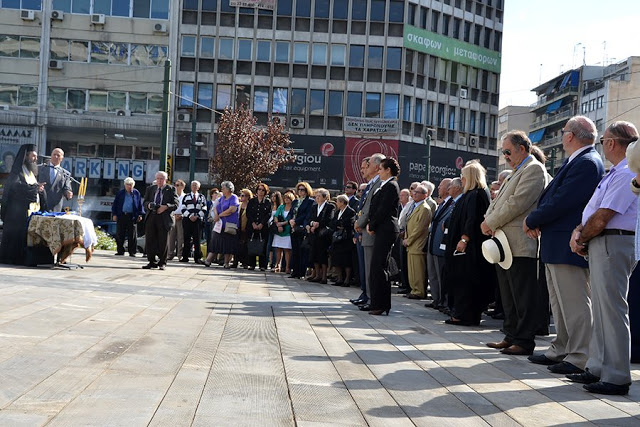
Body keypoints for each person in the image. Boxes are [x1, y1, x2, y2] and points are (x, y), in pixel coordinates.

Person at [525, 116, 604, 375]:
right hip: (556, 239)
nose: (561, 136)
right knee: (559, 302)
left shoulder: (587, 162)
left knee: (574, 301)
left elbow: (562, 200)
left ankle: (580, 355)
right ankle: (561, 348)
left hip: (567, 242)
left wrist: (534, 218)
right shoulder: (578, 160)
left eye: (563, 131)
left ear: (570, 136)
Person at [567, 121, 639, 396]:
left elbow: (605, 214)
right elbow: (594, 213)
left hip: (613, 240)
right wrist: (580, 232)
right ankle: (597, 366)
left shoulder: (626, 172)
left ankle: (617, 375)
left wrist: (581, 237)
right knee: (602, 308)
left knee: (611, 309)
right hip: (603, 241)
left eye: (603, 141)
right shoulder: (618, 172)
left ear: (611, 143)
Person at [482, 131, 548, 356]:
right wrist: (487, 221)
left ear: (522, 148)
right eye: (503, 153)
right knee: (508, 295)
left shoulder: (534, 169)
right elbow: (499, 201)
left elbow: (516, 203)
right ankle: (510, 335)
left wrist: (490, 222)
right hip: (503, 242)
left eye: (508, 152)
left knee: (522, 295)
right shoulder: (515, 171)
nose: (506, 156)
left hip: (520, 243)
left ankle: (524, 340)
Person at [446, 162, 496, 326]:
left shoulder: (476, 194)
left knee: (466, 281)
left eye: (464, 176)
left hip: (470, 248)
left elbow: (472, 219)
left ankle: (463, 315)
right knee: (462, 280)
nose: (462, 179)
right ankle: (462, 313)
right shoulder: (471, 194)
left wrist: (464, 239)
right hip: (465, 246)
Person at [364, 157, 400, 315]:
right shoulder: (384, 185)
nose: (378, 171)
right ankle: (380, 303)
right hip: (382, 228)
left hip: (386, 229)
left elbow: (383, 209)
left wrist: (372, 225)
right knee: (378, 266)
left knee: (378, 267)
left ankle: (380, 304)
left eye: (380, 169)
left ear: (388, 170)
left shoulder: (391, 186)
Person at [0, 144, 46, 265]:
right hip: (16, 213)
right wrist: (35, 188)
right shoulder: (17, 171)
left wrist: (39, 189)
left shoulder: (31, 172)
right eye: (33, 156)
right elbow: (16, 187)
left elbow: (32, 187)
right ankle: (12, 258)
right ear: (26, 156)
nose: (36, 159)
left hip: (27, 212)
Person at [353, 154, 386, 307]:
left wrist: (360, 223)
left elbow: (371, 209)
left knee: (371, 268)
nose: (362, 170)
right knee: (365, 267)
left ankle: (372, 298)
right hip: (363, 231)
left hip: (370, 231)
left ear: (376, 166)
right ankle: (366, 294)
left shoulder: (380, 183)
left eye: (365, 166)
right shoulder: (372, 184)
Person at [425, 178, 453, 310]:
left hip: (441, 244)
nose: (438, 188)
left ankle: (444, 300)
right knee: (433, 272)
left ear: (448, 188)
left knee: (441, 273)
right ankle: (436, 299)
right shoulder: (441, 204)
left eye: (441, 186)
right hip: (433, 242)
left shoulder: (452, 203)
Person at [142, 171, 178, 270]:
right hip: (151, 216)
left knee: (163, 241)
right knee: (150, 240)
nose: (159, 181)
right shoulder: (150, 189)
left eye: (161, 179)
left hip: (164, 218)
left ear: (166, 179)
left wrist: (166, 207)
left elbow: (176, 204)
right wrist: (149, 205)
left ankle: (162, 262)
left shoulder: (171, 189)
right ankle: (151, 261)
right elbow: (144, 202)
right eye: (158, 178)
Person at [403, 184, 433, 300]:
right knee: (412, 269)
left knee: (418, 270)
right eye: (414, 192)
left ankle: (419, 291)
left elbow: (420, 228)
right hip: (411, 243)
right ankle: (413, 289)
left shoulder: (424, 208)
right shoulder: (414, 206)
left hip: (417, 243)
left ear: (425, 195)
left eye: (418, 192)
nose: (414, 194)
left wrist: (409, 240)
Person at [205, 181, 239, 269]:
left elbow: (232, 209)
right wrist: (216, 215)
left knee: (228, 244)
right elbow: (215, 207)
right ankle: (208, 260)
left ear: (228, 189)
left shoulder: (233, 197)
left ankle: (226, 262)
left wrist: (220, 215)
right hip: (219, 224)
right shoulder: (222, 198)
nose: (222, 190)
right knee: (215, 242)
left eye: (223, 188)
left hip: (229, 225)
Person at [306, 188, 335, 284]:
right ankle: (317, 274)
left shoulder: (330, 206)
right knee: (314, 253)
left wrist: (318, 224)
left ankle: (324, 276)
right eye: (316, 196)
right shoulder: (314, 207)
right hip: (314, 233)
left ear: (325, 197)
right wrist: (312, 223)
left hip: (323, 234)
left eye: (319, 196)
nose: (317, 198)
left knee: (323, 255)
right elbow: (310, 218)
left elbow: (329, 219)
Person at [111, 177, 144, 257]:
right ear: (124, 185)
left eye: (131, 185)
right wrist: (114, 214)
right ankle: (120, 250)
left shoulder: (136, 193)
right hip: (122, 215)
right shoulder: (120, 193)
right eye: (127, 184)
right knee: (120, 234)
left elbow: (140, 204)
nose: (129, 186)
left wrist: (140, 214)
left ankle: (132, 251)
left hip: (132, 216)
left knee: (132, 234)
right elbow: (115, 204)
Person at [329, 194, 356, 286]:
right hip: (337, 238)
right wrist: (338, 224)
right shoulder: (337, 212)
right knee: (337, 259)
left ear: (342, 202)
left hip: (346, 238)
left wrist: (340, 224)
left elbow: (348, 222)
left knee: (346, 260)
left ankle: (347, 279)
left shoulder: (350, 211)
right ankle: (339, 278)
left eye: (337, 201)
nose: (336, 203)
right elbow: (333, 222)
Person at [397, 183, 418, 295]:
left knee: (413, 267)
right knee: (404, 263)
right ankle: (406, 285)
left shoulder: (421, 205)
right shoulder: (410, 205)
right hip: (403, 236)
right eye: (411, 189)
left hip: (412, 239)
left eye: (414, 189)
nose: (412, 192)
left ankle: (413, 288)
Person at [289, 181, 313, 279]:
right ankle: (294, 271)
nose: (300, 191)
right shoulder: (295, 201)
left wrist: (296, 221)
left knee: (302, 251)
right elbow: (291, 212)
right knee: (294, 250)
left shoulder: (310, 201)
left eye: (302, 190)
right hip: (293, 228)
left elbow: (307, 214)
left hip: (301, 228)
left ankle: (301, 272)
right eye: (299, 190)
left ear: (307, 191)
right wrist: (290, 220)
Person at [246, 182, 271, 271]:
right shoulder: (252, 201)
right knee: (252, 243)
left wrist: (261, 224)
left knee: (262, 245)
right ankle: (251, 264)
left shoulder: (267, 202)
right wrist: (253, 223)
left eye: (263, 190)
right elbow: (248, 213)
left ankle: (262, 265)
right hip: (252, 226)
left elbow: (268, 214)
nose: (261, 191)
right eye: (259, 189)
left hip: (263, 227)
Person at [181, 180, 207, 264]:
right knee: (186, 238)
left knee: (197, 239)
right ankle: (185, 257)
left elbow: (204, 208)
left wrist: (197, 216)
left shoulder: (202, 197)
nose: (194, 187)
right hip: (187, 220)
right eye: (193, 185)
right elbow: (183, 208)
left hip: (198, 221)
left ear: (198, 187)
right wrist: (190, 216)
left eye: (196, 185)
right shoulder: (186, 197)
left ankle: (197, 258)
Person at [38, 147, 72, 212]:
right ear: (51, 155)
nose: (56, 157)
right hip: (40, 205)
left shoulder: (65, 174)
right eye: (54, 154)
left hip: (56, 208)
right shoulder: (40, 168)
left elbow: (66, 188)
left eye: (58, 155)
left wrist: (68, 193)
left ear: (62, 158)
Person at [271, 190, 296, 274]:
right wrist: (278, 224)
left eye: (288, 198)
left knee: (287, 250)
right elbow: (276, 216)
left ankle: (287, 267)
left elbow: (291, 218)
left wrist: (283, 223)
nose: (286, 199)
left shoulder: (293, 208)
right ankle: (277, 265)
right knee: (278, 249)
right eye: (285, 198)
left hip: (288, 230)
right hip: (279, 230)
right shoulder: (281, 207)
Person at [233, 188, 252, 268]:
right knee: (236, 245)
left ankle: (245, 262)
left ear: (248, 196)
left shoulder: (250, 206)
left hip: (246, 227)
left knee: (245, 245)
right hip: (238, 227)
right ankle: (235, 261)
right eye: (241, 195)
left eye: (243, 195)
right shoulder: (239, 205)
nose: (241, 197)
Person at [167, 179, 186, 261]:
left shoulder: (185, 196)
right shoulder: (172, 195)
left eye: (178, 185)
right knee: (171, 237)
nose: (176, 187)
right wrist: (173, 214)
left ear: (183, 187)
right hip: (173, 216)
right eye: (175, 185)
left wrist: (182, 215)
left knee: (180, 237)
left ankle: (180, 255)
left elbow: (186, 207)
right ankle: (170, 254)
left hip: (181, 218)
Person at [267, 191, 283, 271]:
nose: (273, 198)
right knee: (269, 245)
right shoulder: (270, 206)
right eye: (272, 196)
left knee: (275, 246)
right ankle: (269, 262)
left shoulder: (280, 207)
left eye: (275, 197)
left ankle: (275, 263)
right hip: (269, 227)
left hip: (276, 227)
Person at [204, 187, 220, 255]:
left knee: (216, 240)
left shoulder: (219, 203)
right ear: (212, 194)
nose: (217, 194)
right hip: (209, 223)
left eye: (218, 193)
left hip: (217, 223)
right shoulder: (208, 203)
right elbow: (206, 212)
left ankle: (215, 256)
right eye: (215, 193)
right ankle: (208, 254)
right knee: (209, 239)